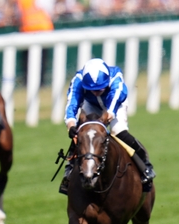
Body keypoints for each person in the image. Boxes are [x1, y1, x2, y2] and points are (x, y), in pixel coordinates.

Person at [60, 58, 155, 194]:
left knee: (118, 132)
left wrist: (110, 113)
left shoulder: (115, 77)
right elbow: (72, 103)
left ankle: (145, 165)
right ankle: (69, 172)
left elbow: (117, 96)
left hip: (115, 104)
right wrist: (71, 125)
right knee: (83, 133)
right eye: (92, 90)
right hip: (91, 105)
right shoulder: (78, 80)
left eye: (100, 88)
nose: (96, 92)